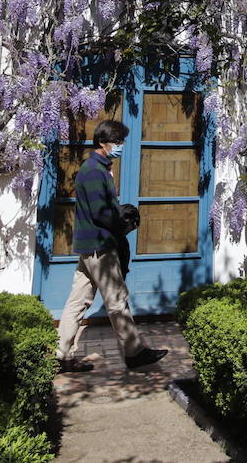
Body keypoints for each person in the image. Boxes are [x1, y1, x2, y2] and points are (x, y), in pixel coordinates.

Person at [56, 119, 168, 373]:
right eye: (117, 142)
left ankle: (61, 355)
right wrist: (122, 223)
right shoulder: (94, 171)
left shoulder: (98, 167)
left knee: (78, 301)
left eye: (121, 142)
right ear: (103, 143)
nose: (121, 146)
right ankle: (134, 352)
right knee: (117, 300)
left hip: (88, 246)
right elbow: (100, 212)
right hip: (99, 246)